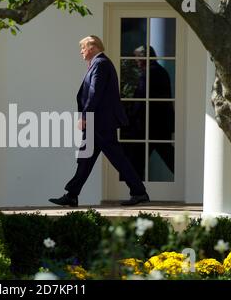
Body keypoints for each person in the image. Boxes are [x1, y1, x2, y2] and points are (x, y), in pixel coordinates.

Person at [49, 36, 150, 207]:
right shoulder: (98, 64)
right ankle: (72, 195)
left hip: (100, 122)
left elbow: (95, 92)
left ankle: (139, 192)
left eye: (83, 47)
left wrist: (86, 116)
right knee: (85, 158)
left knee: (116, 158)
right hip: (99, 122)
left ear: (93, 47)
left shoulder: (100, 64)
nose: (81, 51)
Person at [123, 46, 174, 177]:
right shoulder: (161, 71)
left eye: (137, 59)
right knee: (170, 158)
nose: (136, 62)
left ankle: (137, 191)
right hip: (160, 126)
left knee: (136, 162)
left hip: (147, 127)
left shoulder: (149, 74)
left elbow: (140, 100)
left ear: (144, 57)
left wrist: (128, 118)